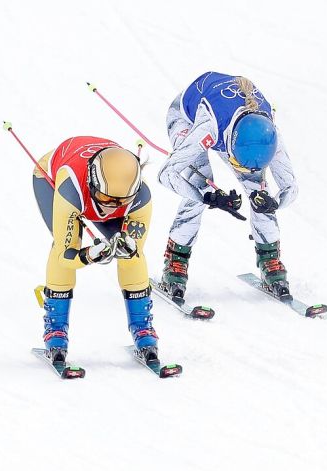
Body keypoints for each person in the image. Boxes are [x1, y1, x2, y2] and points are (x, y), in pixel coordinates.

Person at [157, 72, 299, 300]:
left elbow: (290, 187)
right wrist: (207, 196)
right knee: (198, 182)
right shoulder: (209, 129)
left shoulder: (269, 134)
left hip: (233, 126)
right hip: (188, 118)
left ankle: (269, 259)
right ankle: (175, 262)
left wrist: (274, 203)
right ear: (230, 148)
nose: (240, 170)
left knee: (260, 192)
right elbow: (166, 174)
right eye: (236, 163)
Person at [32, 137, 159, 364]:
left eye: (121, 202)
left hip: (99, 187)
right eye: (105, 198)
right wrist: (88, 255)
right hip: (51, 178)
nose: (111, 206)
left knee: (131, 255)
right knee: (64, 246)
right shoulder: (70, 190)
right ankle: (55, 330)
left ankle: (143, 330)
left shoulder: (141, 197)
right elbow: (66, 255)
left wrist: (126, 248)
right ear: (93, 182)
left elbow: (133, 249)